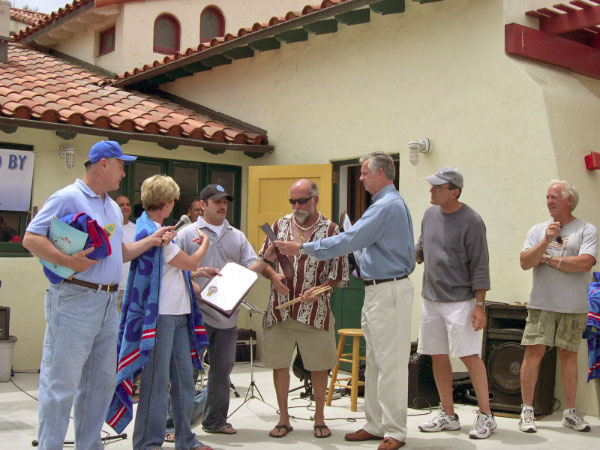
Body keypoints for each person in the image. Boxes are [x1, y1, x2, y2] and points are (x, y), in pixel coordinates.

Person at [22, 141, 173, 450]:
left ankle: (89, 445)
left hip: (106, 303)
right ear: (104, 164)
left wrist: (152, 241)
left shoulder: (112, 207)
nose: (123, 173)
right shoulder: (67, 197)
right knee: (60, 385)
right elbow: (30, 238)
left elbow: (119, 253)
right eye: (121, 165)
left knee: (100, 385)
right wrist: (68, 261)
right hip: (74, 299)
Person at [277, 152, 415, 450]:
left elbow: (349, 241)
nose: (361, 178)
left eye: (365, 173)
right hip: (378, 289)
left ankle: (395, 431)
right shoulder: (383, 205)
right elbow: (360, 242)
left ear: (381, 174)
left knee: (389, 364)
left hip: (388, 290)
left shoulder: (387, 206)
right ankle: (376, 424)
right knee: (376, 362)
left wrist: (302, 247)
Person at [106, 175, 212, 450]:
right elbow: (187, 263)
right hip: (160, 318)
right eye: (173, 200)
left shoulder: (153, 228)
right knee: (156, 382)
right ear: (167, 203)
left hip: (177, 314)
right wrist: (204, 245)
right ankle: (147, 442)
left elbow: (169, 270)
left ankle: (184, 439)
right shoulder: (151, 232)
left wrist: (196, 271)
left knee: (184, 380)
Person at [177, 183, 284, 435]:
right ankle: (177, 424)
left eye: (225, 201)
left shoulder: (237, 235)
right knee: (187, 371)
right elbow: (175, 268)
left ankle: (215, 421)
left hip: (227, 317)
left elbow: (249, 269)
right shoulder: (186, 233)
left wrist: (267, 259)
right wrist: (193, 285)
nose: (223, 205)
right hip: (194, 314)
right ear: (203, 205)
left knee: (222, 370)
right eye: (216, 201)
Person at [260, 179, 349, 439]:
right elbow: (263, 261)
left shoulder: (332, 230)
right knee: (279, 365)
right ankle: (284, 418)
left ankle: (319, 418)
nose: (296, 206)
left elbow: (340, 274)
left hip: (315, 312)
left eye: (302, 200)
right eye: (293, 201)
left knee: (319, 367)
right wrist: (273, 277)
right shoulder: (279, 226)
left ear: (315, 200)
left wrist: (319, 289)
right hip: (280, 310)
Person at [415, 167, 496, 439]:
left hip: (461, 301)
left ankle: (486, 416)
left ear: (454, 192)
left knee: (468, 356)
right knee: (437, 355)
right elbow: (421, 249)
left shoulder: (472, 221)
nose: (431, 191)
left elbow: (481, 265)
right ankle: (448, 415)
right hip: (431, 300)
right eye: (432, 186)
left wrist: (479, 305)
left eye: (437, 187)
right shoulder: (428, 215)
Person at [519, 180, 598, 433]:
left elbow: (585, 263)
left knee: (569, 356)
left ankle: (570, 413)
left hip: (573, 306)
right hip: (542, 304)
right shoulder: (538, 230)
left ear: (569, 201)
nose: (549, 201)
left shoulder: (586, 229)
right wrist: (545, 242)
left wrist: (549, 260)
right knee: (533, 353)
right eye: (547, 197)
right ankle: (527, 411)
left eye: (554, 197)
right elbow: (525, 262)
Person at [115, 194, 136, 313]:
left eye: (128, 204)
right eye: (121, 205)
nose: (125, 207)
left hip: (131, 288)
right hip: (113, 287)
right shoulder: (110, 229)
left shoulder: (137, 229)